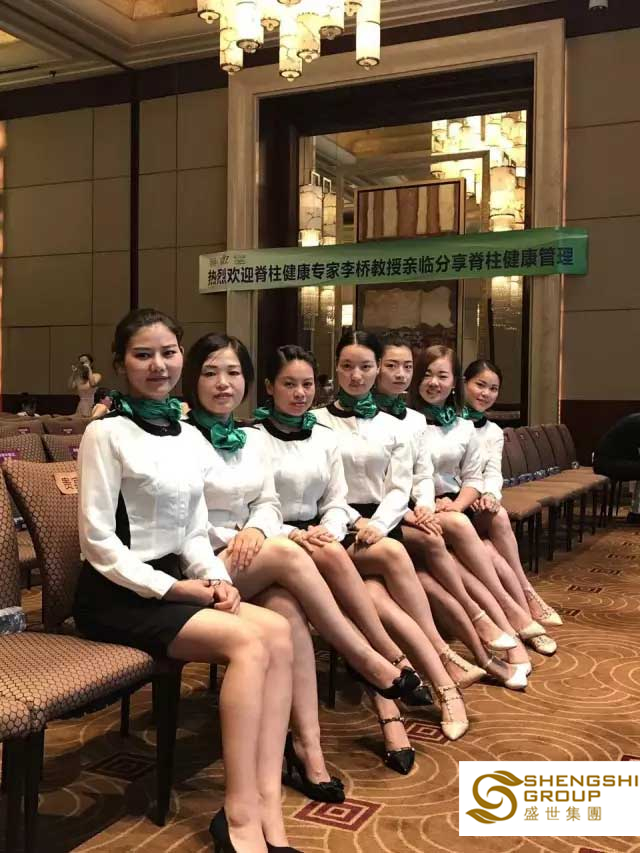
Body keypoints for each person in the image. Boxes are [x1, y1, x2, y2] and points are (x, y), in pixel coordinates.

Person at [73, 308, 297, 853]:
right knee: (248, 643)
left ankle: (268, 802)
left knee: (279, 632)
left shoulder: (186, 435)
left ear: (180, 358)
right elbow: (97, 541)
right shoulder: (106, 433)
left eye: (168, 353)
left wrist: (216, 579)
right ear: (120, 364)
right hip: (118, 593)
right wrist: (174, 589)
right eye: (143, 355)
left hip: (176, 583)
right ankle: (238, 816)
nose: (158, 365)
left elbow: (193, 531)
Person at [182, 334, 422, 768]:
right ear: (269, 387)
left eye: (233, 373)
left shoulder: (248, 438)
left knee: (290, 608)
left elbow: (268, 502)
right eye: (211, 373)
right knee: (305, 557)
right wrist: (254, 533)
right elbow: (184, 518)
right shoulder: (182, 438)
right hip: (208, 559)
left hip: (262, 548)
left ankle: (309, 751)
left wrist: (261, 528)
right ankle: (375, 660)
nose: (223, 383)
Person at [314, 330, 478, 738]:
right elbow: (325, 493)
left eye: (365, 366)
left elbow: (399, 488)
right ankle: (442, 666)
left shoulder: (396, 426)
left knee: (375, 597)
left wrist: (378, 524)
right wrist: (356, 522)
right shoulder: (317, 420)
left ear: (376, 371)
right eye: (348, 366)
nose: (356, 375)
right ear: (336, 368)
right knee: (391, 556)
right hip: (336, 525)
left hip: (382, 522)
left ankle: (432, 689)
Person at [372, 334, 532, 687]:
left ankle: (509, 622)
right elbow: (381, 484)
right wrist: (417, 509)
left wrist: (427, 506)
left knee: (469, 544)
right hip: (386, 517)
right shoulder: (387, 419)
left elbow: (424, 476)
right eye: (391, 366)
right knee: (446, 551)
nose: (400, 374)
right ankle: (502, 628)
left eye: (406, 367)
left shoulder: (418, 420)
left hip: (423, 509)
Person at [408, 345, 548, 674]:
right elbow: (412, 477)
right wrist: (430, 506)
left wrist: (458, 504)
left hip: (452, 503)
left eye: (442, 375)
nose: (434, 382)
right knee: (478, 548)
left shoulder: (462, 426)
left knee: (492, 530)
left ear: (453, 381)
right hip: (417, 506)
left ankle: (518, 612)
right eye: (427, 374)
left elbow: (475, 477)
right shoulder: (406, 421)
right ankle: (515, 617)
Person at [462, 358, 562, 653]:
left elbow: (493, 472)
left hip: (477, 505)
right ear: (464, 383)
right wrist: (470, 495)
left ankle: (526, 599)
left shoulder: (493, 431)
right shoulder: (447, 422)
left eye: (493, 389)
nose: (486, 393)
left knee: (499, 515)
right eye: (480, 385)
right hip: (454, 504)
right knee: (490, 550)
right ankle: (526, 606)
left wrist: (491, 494)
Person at [594, 413, 640, 524]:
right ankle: (636, 514)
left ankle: (636, 512)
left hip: (613, 460)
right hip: (607, 464)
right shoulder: (637, 422)